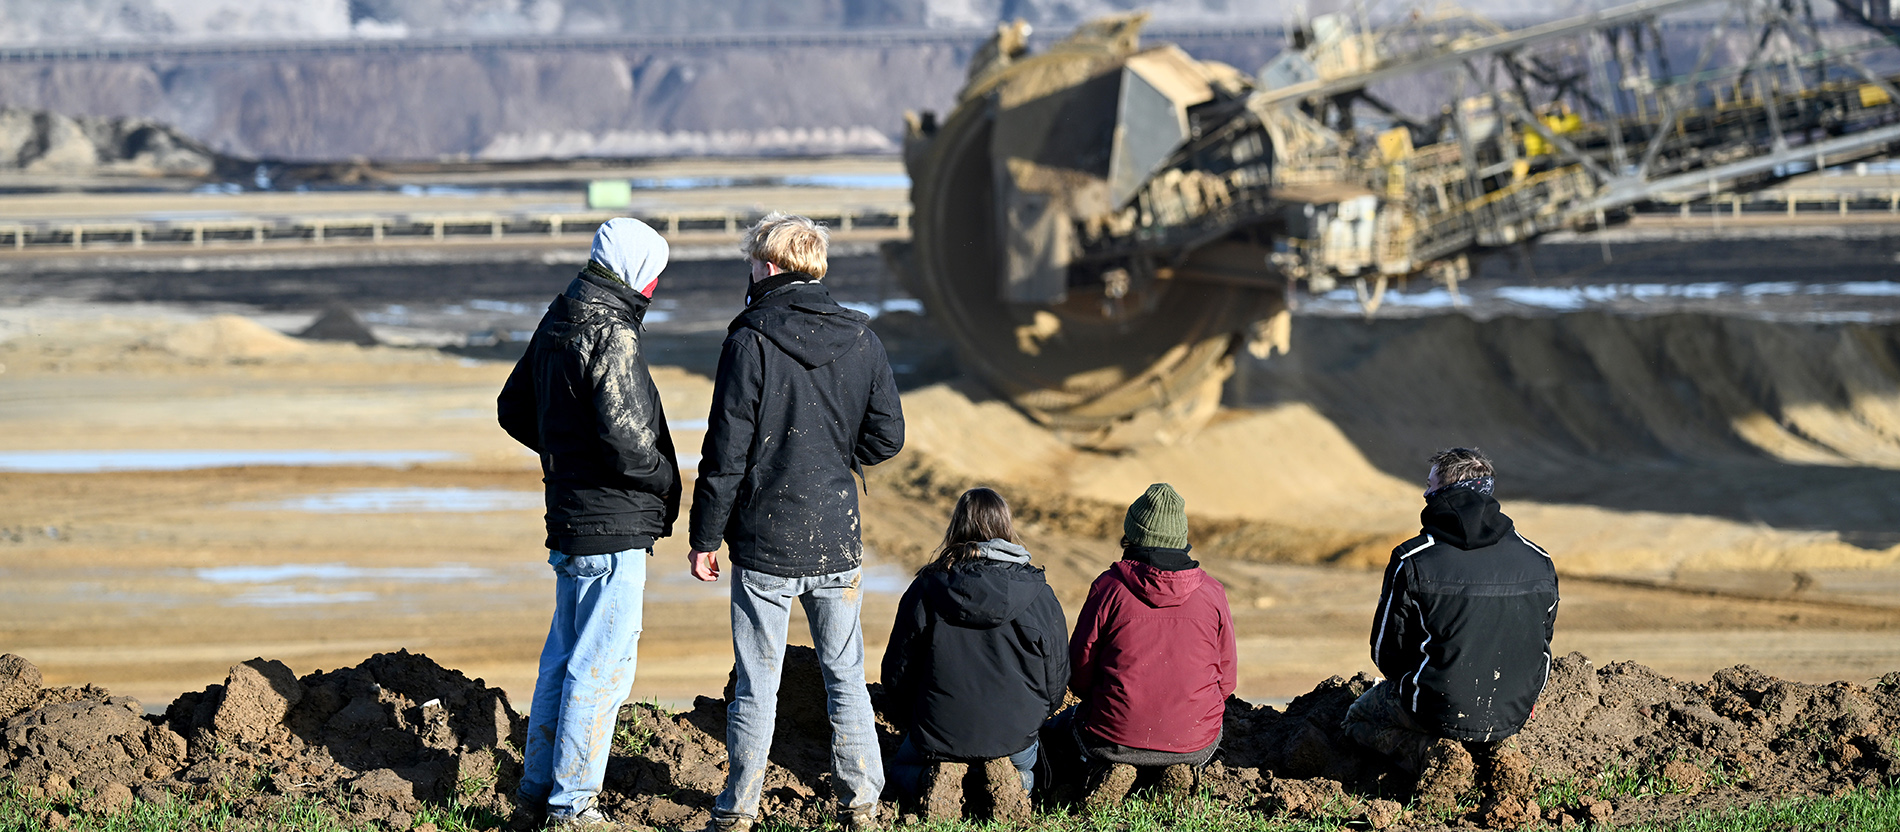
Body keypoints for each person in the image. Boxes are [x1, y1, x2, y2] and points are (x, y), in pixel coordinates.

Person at [687, 212, 905, 832]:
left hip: (764, 540)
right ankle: (862, 803)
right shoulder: (862, 337)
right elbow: (889, 434)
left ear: (770, 266)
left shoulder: (748, 339)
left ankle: (738, 810)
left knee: (759, 681)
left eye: (753, 261)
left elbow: (724, 452)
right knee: (846, 676)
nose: (749, 270)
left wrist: (705, 537)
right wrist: (837, 458)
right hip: (837, 533)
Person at [496, 217, 681, 829]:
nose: (655, 285)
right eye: (653, 272)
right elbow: (628, 441)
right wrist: (666, 480)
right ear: (633, 268)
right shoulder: (611, 330)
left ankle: (536, 792)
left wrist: (565, 455)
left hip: (572, 518)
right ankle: (573, 807)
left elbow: (513, 407)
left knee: (563, 660)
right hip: (612, 526)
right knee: (600, 668)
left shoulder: (561, 314)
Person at [1342, 447, 1559, 810]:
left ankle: (1432, 756)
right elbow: (1543, 643)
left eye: (1430, 485)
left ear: (1446, 492)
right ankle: (1496, 750)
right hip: (1514, 710)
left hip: (1436, 708)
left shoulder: (1412, 559)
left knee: (1357, 718)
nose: (1425, 494)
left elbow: (1386, 653)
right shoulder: (1539, 559)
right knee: (1486, 713)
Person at [880, 488, 1067, 820]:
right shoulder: (1039, 593)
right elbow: (1056, 680)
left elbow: (897, 671)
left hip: (939, 731)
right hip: (1014, 732)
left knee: (898, 768)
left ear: (957, 528)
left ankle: (932, 778)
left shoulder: (926, 587)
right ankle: (1013, 782)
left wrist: (914, 718)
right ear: (1006, 528)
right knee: (1029, 769)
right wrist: (1034, 717)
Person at [1061, 483, 1236, 813]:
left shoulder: (1108, 587)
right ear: (1181, 538)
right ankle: (1175, 770)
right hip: (1193, 741)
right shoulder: (1213, 592)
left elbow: (1079, 672)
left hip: (1113, 737)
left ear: (1131, 534)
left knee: (1066, 727)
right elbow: (1227, 681)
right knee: (1189, 735)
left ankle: (1113, 769)